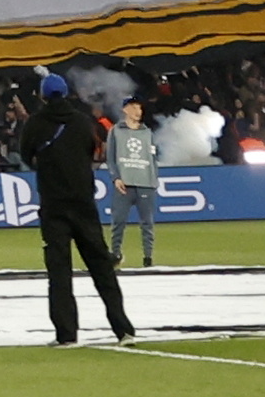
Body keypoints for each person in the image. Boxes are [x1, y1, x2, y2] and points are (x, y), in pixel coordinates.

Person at [14, 68, 140, 347]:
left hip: (54, 205)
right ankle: (123, 328)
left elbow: (26, 156)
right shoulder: (83, 122)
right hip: (83, 202)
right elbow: (94, 152)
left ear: (43, 97)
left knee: (59, 272)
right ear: (67, 94)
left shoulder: (35, 124)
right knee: (101, 268)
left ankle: (66, 333)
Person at [105, 85, 167, 268]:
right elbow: (111, 158)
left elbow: (153, 157)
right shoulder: (116, 131)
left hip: (145, 183)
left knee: (147, 224)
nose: (138, 111)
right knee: (118, 223)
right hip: (124, 183)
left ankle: (148, 259)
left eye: (139, 108)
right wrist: (115, 178)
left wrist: (153, 178)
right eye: (133, 107)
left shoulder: (147, 132)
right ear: (125, 110)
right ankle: (115, 255)